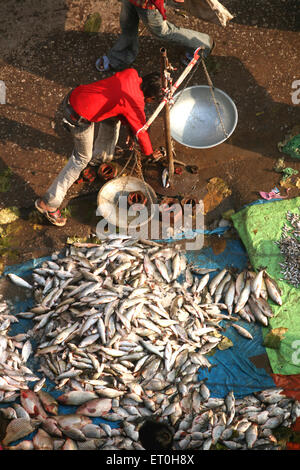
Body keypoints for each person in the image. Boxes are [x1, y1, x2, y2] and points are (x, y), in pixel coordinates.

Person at [35, 69, 163, 227]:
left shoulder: (131, 74)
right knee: (81, 159)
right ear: (150, 98)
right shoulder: (134, 101)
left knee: (113, 120)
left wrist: (130, 127)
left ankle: (100, 159)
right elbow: (141, 131)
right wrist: (149, 153)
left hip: (75, 96)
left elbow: (121, 107)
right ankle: (48, 203)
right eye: (153, 101)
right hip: (77, 115)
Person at [95, 0, 214, 72]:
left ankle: (202, 43)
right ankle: (122, 55)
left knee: (162, 31)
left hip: (147, 3)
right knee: (127, 22)